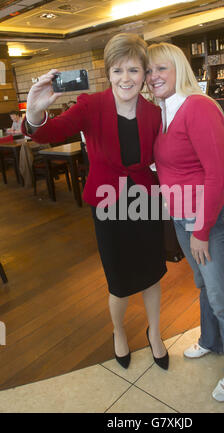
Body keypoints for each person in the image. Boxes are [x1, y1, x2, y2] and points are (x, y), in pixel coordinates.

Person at [21, 33, 169, 370]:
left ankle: (155, 333)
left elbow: (164, 155)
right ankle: (119, 332)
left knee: (152, 273)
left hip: (145, 201)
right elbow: (46, 133)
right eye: (117, 71)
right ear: (108, 73)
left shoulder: (153, 113)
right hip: (107, 203)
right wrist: (33, 111)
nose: (125, 79)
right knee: (118, 279)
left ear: (144, 73)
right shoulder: (91, 105)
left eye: (133, 70)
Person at [146, 42, 224, 401]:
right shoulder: (163, 110)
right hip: (182, 215)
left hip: (211, 218)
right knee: (205, 286)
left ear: (179, 67)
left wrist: (201, 230)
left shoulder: (198, 107)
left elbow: (217, 175)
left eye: (161, 68)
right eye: (149, 70)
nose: (153, 76)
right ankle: (211, 341)